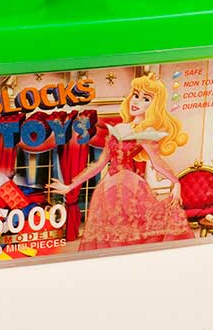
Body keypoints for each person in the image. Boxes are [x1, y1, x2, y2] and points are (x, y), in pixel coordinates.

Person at [48, 73, 193, 250]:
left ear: (153, 105)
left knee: (128, 234)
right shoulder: (118, 128)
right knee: (107, 236)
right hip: (107, 188)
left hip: (129, 188)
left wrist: (176, 182)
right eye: (136, 95)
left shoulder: (146, 133)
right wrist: (70, 186)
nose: (136, 101)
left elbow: (157, 163)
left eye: (145, 99)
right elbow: (99, 164)